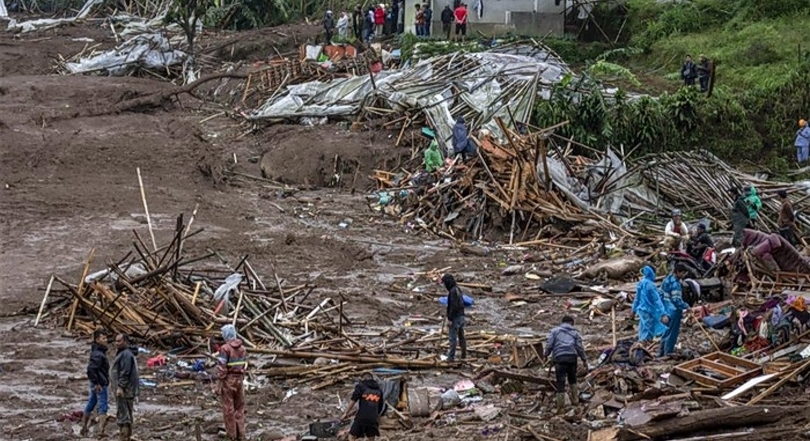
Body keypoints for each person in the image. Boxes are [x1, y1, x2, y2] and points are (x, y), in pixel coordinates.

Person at [543, 316, 588, 414]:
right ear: (572, 323)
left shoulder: (554, 332)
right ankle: (575, 401)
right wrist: (584, 359)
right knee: (572, 379)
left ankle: (561, 407)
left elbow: (549, 345)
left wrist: (545, 355)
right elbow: (579, 348)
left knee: (561, 382)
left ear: (562, 322)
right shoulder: (575, 333)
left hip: (559, 358)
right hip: (572, 358)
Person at [215, 325, 247, 441]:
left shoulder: (225, 349)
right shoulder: (243, 349)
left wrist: (218, 384)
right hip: (239, 380)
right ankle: (241, 435)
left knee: (229, 409)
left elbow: (222, 368)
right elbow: (244, 366)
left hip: (228, 381)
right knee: (239, 408)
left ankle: (232, 436)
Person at [631, 266, 668, 365]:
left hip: (642, 311)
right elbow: (657, 300)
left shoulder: (641, 283)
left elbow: (637, 298)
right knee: (648, 332)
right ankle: (643, 352)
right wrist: (663, 313)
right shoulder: (651, 285)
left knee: (643, 329)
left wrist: (633, 310)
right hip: (650, 311)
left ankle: (640, 350)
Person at [80, 329, 111, 437]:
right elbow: (91, 370)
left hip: (97, 382)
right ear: (97, 339)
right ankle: (101, 431)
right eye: (103, 338)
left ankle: (84, 427)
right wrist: (97, 383)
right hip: (100, 383)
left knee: (92, 402)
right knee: (103, 406)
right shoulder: (98, 354)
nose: (105, 340)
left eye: (106, 338)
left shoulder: (97, 351)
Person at [742, 228, 810, 274]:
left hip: (798, 268)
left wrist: (754, 251)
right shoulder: (766, 240)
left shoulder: (772, 239)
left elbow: (775, 243)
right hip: (797, 266)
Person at [111, 333, 139, 441]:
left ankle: (123, 437)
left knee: (124, 417)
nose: (117, 343)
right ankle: (127, 437)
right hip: (127, 390)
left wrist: (121, 387)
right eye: (116, 341)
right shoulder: (124, 353)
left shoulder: (126, 355)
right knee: (126, 415)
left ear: (125, 342)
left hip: (125, 390)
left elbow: (125, 372)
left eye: (119, 341)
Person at [340, 373, 385, 440]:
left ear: (364, 379)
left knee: (351, 436)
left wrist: (345, 413)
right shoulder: (378, 390)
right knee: (371, 437)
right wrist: (376, 416)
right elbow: (380, 406)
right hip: (373, 418)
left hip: (362, 417)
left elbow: (353, 400)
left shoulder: (361, 386)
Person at [659, 265, 690, 357]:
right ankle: (667, 353)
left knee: (665, 332)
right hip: (674, 311)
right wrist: (687, 306)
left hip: (666, 310)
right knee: (672, 333)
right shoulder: (676, 284)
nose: (684, 275)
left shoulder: (666, 280)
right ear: (677, 272)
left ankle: (660, 353)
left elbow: (660, 294)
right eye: (683, 273)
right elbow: (677, 300)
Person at [442, 273, 467, 361]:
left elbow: (453, 306)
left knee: (452, 338)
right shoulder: (457, 289)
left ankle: (451, 357)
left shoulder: (452, 292)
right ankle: (464, 354)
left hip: (455, 317)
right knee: (461, 336)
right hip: (461, 316)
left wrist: (450, 318)